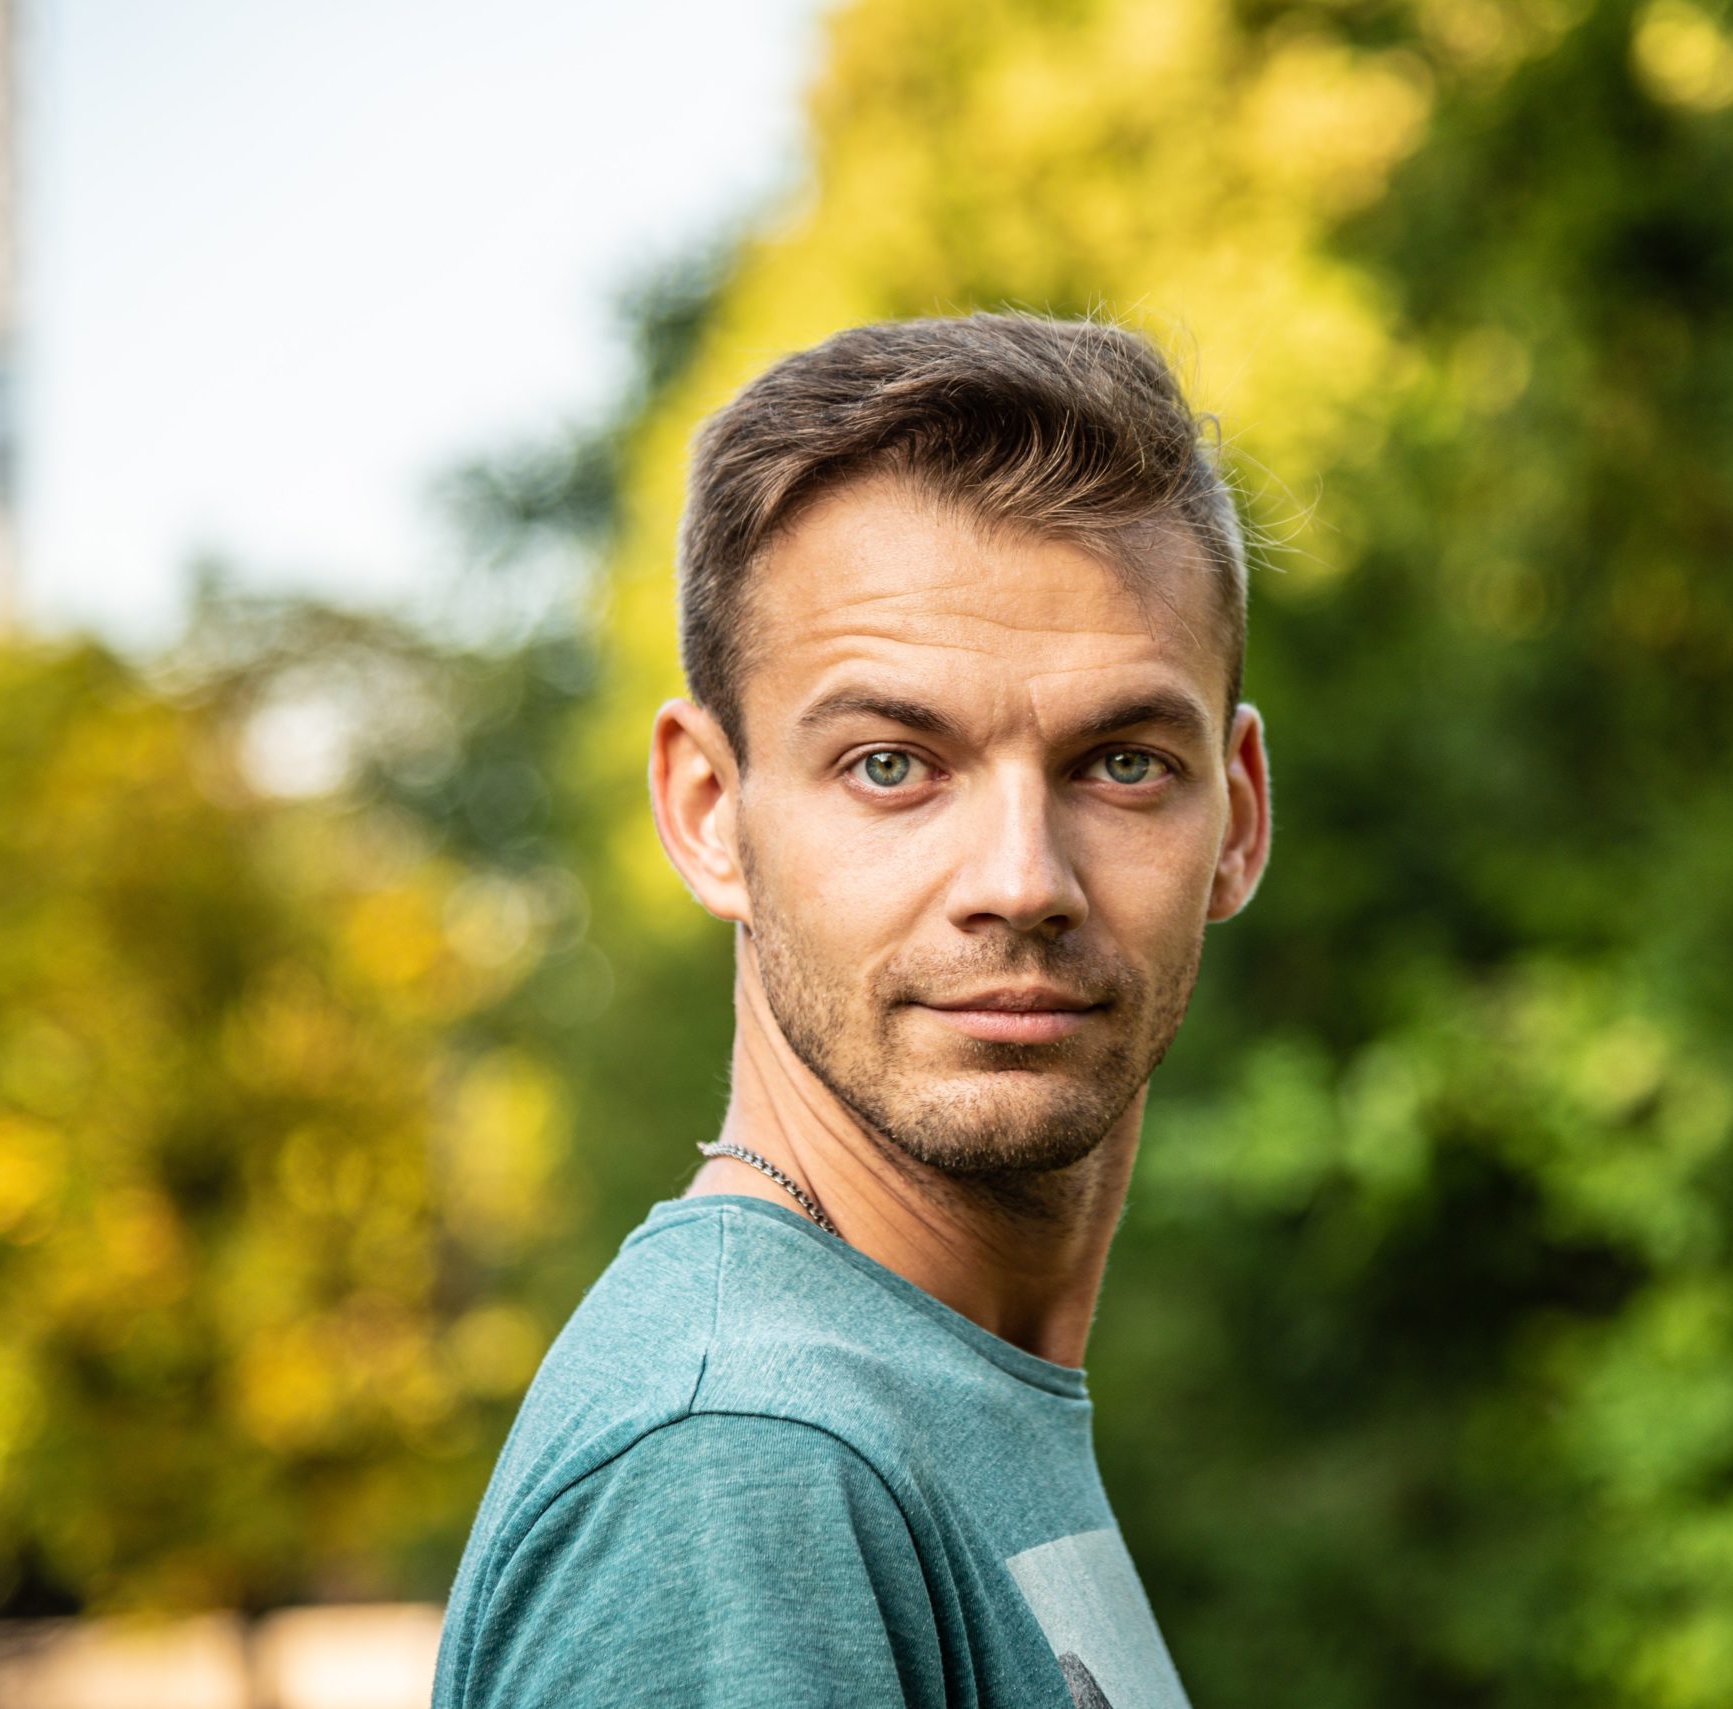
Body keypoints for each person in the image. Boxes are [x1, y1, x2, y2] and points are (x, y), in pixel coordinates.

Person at [431, 312, 1272, 1709]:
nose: (1021, 881)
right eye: (892, 763)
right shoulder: (741, 1462)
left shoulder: (920, 1389)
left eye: (1121, 763)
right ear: (710, 811)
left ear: (1237, 820)